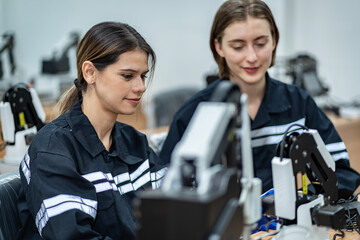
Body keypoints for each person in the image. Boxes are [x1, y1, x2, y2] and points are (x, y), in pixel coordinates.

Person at [159, 0, 360, 199]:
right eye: (238, 46)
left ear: (274, 41)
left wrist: (302, 200)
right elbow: (169, 193)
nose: (252, 57)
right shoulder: (194, 114)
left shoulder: (300, 103)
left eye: (261, 43)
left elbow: (341, 173)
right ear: (219, 47)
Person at [17, 21, 167, 240]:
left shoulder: (136, 143)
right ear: (90, 73)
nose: (141, 87)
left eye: (143, 76)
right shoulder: (52, 150)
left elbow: (171, 212)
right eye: (127, 76)